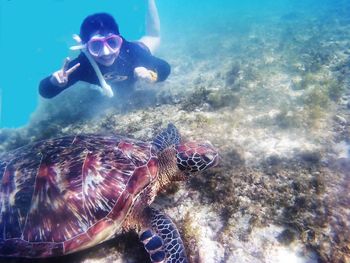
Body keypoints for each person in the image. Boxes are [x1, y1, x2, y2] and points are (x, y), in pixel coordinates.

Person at [39, 0, 170, 99]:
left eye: (112, 42)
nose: (106, 53)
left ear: (120, 40)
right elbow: (45, 92)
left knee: (153, 36)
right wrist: (54, 82)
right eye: (96, 45)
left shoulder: (133, 52)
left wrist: (151, 76)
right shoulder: (82, 65)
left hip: (140, 46)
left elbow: (164, 68)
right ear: (85, 46)